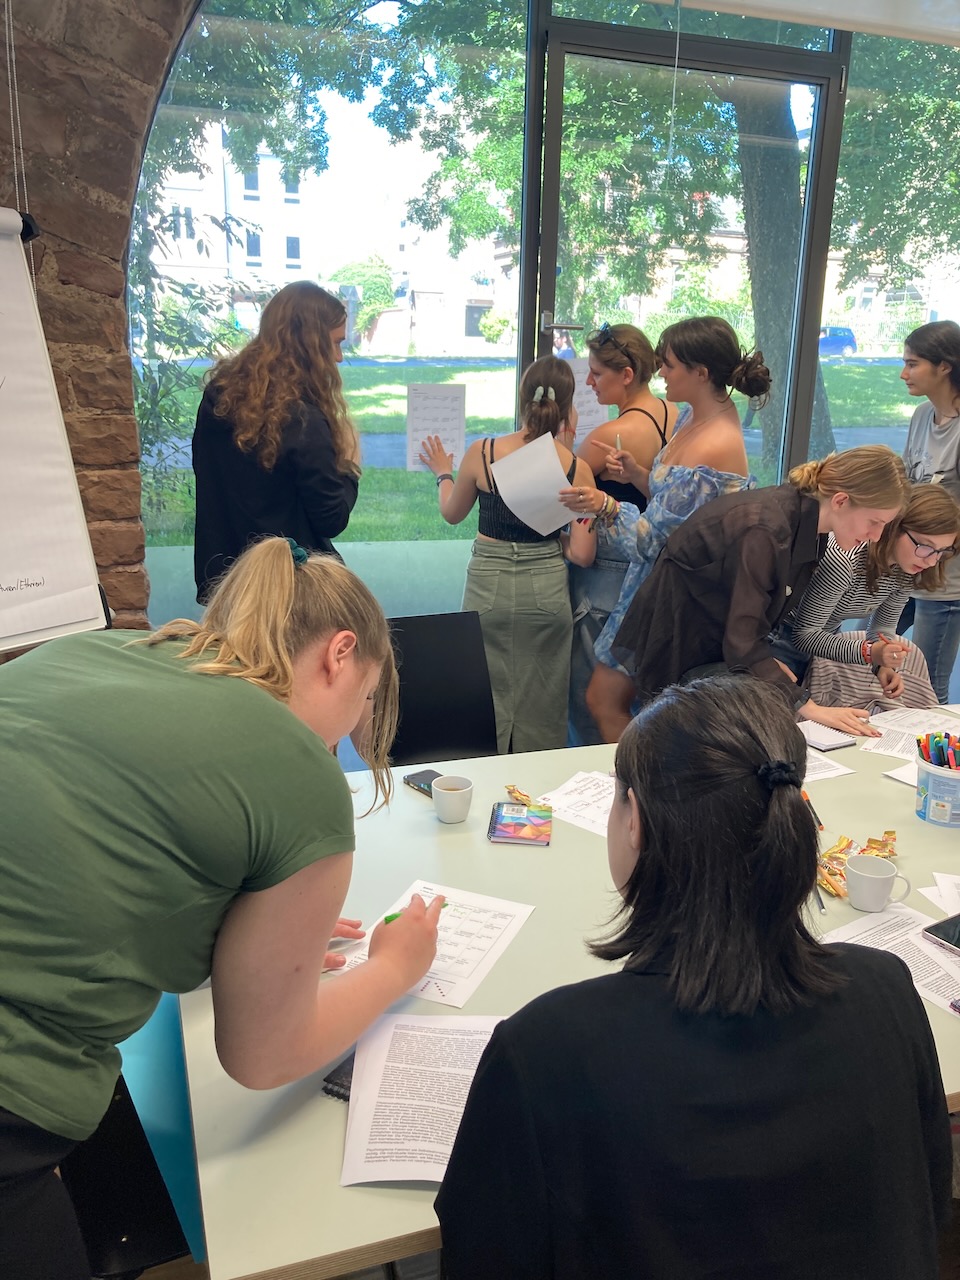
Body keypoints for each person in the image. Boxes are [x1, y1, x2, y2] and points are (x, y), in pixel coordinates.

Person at [0, 538, 443, 1280]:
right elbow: (262, 1057)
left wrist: (256, 942)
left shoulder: (96, 651)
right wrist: (396, 967)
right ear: (339, 654)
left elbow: (94, 853)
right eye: (366, 697)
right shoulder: (298, 770)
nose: (349, 730)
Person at [436, 675, 951, 1280]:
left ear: (635, 821)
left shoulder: (545, 1050)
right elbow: (930, 1201)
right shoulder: (886, 990)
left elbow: (482, 1256)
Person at [588, 445, 908, 742]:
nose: (876, 536)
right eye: (874, 522)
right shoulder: (767, 529)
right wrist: (809, 707)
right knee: (679, 741)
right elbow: (742, 640)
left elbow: (754, 623)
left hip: (713, 636)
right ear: (840, 501)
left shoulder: (809, 525)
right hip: (685, 635)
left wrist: (767, 664)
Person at [566, 317, 767, 743]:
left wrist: (604, 504)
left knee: (607, 699)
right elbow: (676, 503)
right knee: (621, 702)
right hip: (651, 585)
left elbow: (650, 540)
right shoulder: (691, 417)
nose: (659, 372)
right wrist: (638, 474)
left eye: (669, 365)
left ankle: (641, 778)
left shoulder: (714, 442)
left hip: (672, 593)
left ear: (701, 372)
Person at [419, 355, 595, 752]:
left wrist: (443, 473)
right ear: (569, 407)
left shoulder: (482, 453)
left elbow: (452, 513)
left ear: (522, 397)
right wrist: (554, 534)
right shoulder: (576, 469)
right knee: (543, 704)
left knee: (482, 697)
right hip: (546, 592)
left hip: (488, 588)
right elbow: (583, 554)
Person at [192, 281, 361, 602]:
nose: (339, 357)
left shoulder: (218, 398)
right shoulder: (304, 419)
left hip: (228, 582)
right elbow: (331, 519)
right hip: (289, 588)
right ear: (310, 344)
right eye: (335, 344)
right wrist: (350, 466)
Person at [566, 323, 680, 744]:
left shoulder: (607, 437)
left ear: (627, 374)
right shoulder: (676, 417)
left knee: (590, 703)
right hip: (655, 573)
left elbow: (564, 493)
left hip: (607, 579)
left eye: (597, 373)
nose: (589, 382)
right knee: (636, 703)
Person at [774, 484, 960, 711]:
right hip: (778, 641)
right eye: (925, 546)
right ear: (894, 527)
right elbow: (804, 635)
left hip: (819, 642)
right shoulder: (844, 562)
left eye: (942, 552)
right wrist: (871, 653)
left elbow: (883, 627)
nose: (931, 561)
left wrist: (884, 664)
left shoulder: (907, 570)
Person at [901, 319, 960, 702]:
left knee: (928, 687)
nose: (903, 373)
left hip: (944, 582)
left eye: (913, 363)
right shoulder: (922, 414)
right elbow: (906, 486)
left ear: (944, 366)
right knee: (857, 652)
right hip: (904, 568)